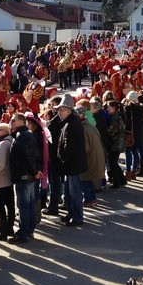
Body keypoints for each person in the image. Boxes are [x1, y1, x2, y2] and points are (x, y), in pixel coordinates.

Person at [8, 113, 42, 243]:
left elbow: (27, 157)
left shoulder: (22, 136)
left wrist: (34, 171)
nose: (11, 122)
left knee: (25, 205)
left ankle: (24, 233)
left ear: (21, 122)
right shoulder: (26, 135)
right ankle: (29, 229)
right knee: (29, 204)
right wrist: (36, 171)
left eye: (13, 120)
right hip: (29, 175)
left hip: (25, 176)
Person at [55, 94, 87, 227]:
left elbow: (69, 147)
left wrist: (63, 160)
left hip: (73, 164)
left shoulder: (71, 124)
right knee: (69, 191)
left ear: (68, 111)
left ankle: (77, 216)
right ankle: (71, 213)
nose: (59, 113)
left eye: (61, 110)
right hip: (72, 164)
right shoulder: (70, 122)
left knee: (74, 192)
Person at [76, 107, 106, 208]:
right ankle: (91, 199)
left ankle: (89, 199)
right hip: (96, 156)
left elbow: (85, 147)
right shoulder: (90, 125)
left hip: (90, 158)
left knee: (85, 179)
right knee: (88, 180)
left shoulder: (83, 129)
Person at [105, 101, 128, 188]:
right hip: (119, 142)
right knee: (114, 162)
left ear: (113, 108)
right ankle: (122, 180)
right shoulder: (119, 116)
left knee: (112, 163)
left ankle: (116, 183)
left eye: (108, 107)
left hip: (115, 143)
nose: (107, 109)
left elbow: (111, 131)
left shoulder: (115, 118)